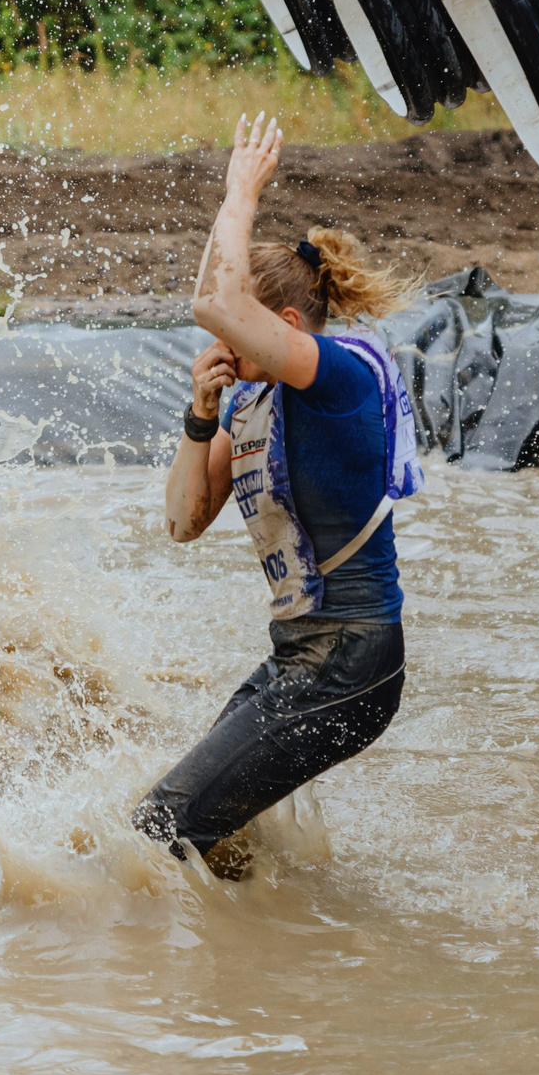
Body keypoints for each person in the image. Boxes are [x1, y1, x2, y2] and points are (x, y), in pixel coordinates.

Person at [135, 111, 423, 878]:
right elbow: (182, 522)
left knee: (161, 825)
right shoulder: (249, 404)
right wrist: (199, 419)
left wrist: (239, 196)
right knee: (208, 831)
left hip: (353, 661)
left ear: (286, 325)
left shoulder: (342, 374)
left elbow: (216, 304)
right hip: (301, 656)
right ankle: (267, 973)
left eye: (240, 338)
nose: (219, 349)